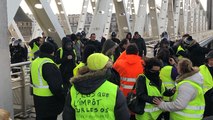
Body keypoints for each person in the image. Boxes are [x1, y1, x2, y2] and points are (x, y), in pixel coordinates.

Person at [63, 53, 130, 120]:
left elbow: (67, 116)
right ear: (106, 68)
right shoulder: (114, 90)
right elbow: (124, 117)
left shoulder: (74, 90)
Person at [30, 42, 65, 120]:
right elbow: (56, 87)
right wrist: (62, 98)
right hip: (49, 100)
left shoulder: (35, 62)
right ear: (52, 52)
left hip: (37, 98)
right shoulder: (48, 64)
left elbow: (32, 80)